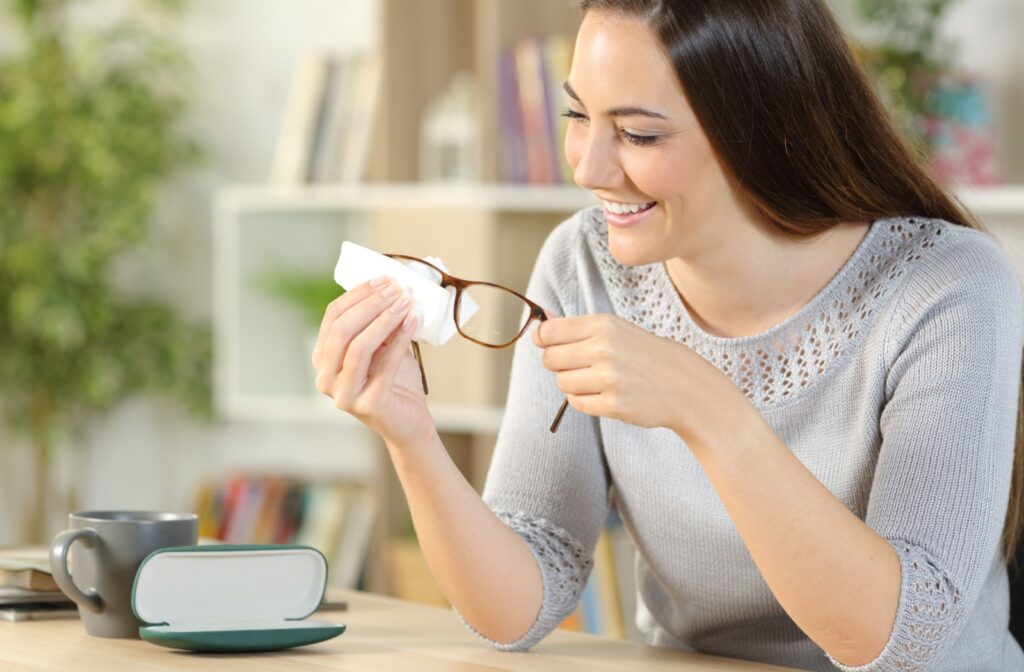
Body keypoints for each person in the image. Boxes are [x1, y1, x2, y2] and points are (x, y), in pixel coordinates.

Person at [311, 0, 1024, 669]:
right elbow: (516, 609)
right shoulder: (581, 262)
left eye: (639, 133)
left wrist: (704, 408)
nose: (588, 167)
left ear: (764, 124)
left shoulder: (946, 284)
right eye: (577, 114)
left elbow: (907, 642)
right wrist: (412, 440)